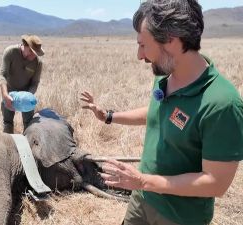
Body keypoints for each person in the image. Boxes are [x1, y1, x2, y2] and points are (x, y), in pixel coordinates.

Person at [80, 0, 243, 224]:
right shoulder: (164, 75)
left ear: (171, 39)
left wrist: (143, 181)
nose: (139, 55)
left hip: (179, 216)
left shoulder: (221, 102)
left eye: (143, 45)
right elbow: (158, 112)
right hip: (141, 199)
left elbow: (216, 183)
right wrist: (109, 116)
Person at [0, 34, 44, 133]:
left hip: (26, 95)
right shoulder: (10, 52)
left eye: (36, 54)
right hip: (9, 92)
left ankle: (28, 145)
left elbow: (35, 83)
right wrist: (5, 95)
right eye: (32, 52)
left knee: (29, 124)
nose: (33, 56)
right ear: (25, 45)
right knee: (7, 123)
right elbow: (3, 75)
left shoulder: (38, 63)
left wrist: (28, 95)